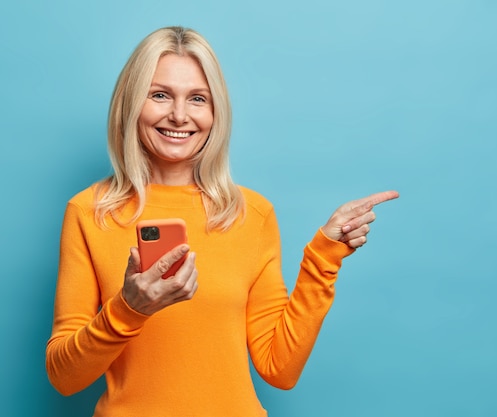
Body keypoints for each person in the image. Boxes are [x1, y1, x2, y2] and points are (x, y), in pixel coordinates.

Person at [46, 26, 399, 417]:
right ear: (131, 104)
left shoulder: (251, 213)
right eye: (160, 95)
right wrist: (129, 308)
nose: (179, 115)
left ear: (216, 113)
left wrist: (325, 256)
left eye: (198, 98)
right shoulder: (89, 211)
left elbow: (279, 368)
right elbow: (65, 378)